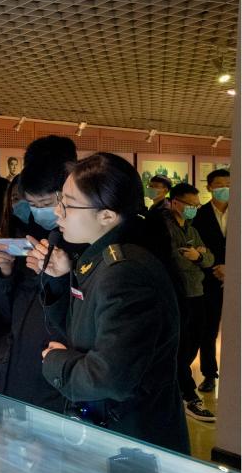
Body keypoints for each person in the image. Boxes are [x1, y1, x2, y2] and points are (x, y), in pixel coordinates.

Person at [32, 152, 189, 453]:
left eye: (68, 204)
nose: (57, 212)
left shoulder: (125, 272)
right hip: (111, 433)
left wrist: (54, 362)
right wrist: (60, 280)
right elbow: (81, 331)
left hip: (131, 443)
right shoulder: (99, 260)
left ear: (107, 216)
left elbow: (109, 377)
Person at [0, 140, 77, 413]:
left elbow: (82, 319)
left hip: (57, 372)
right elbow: (6, 313)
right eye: (32, 203)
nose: (40, 210)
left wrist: (59, 276)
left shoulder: (82, 242)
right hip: (17, 366)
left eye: (46, 203)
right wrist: (4, 272)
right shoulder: (22, 233)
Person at [163, 182, 216, 421]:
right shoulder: (165, 228)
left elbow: (209, 259)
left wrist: (199, 256)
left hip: (197, 293)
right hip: (178, 294)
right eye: (190, 204)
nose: (194, 208)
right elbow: (175, 261)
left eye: (197, 204)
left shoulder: (191, 229)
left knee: (194, 342)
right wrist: (197, 256)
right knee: (181, 345)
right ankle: (188, 394)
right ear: (175, 202)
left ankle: (179, 386)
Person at [192, 169, 229, 393]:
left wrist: (232, 268)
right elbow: (197, 247)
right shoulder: (199, 215)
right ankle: (209, 374)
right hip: (210, 278)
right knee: (209, 330)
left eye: (229, 184)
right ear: (209, 187)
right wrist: (216, 268)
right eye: (220, 184)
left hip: (236, 277)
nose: (225, 189)